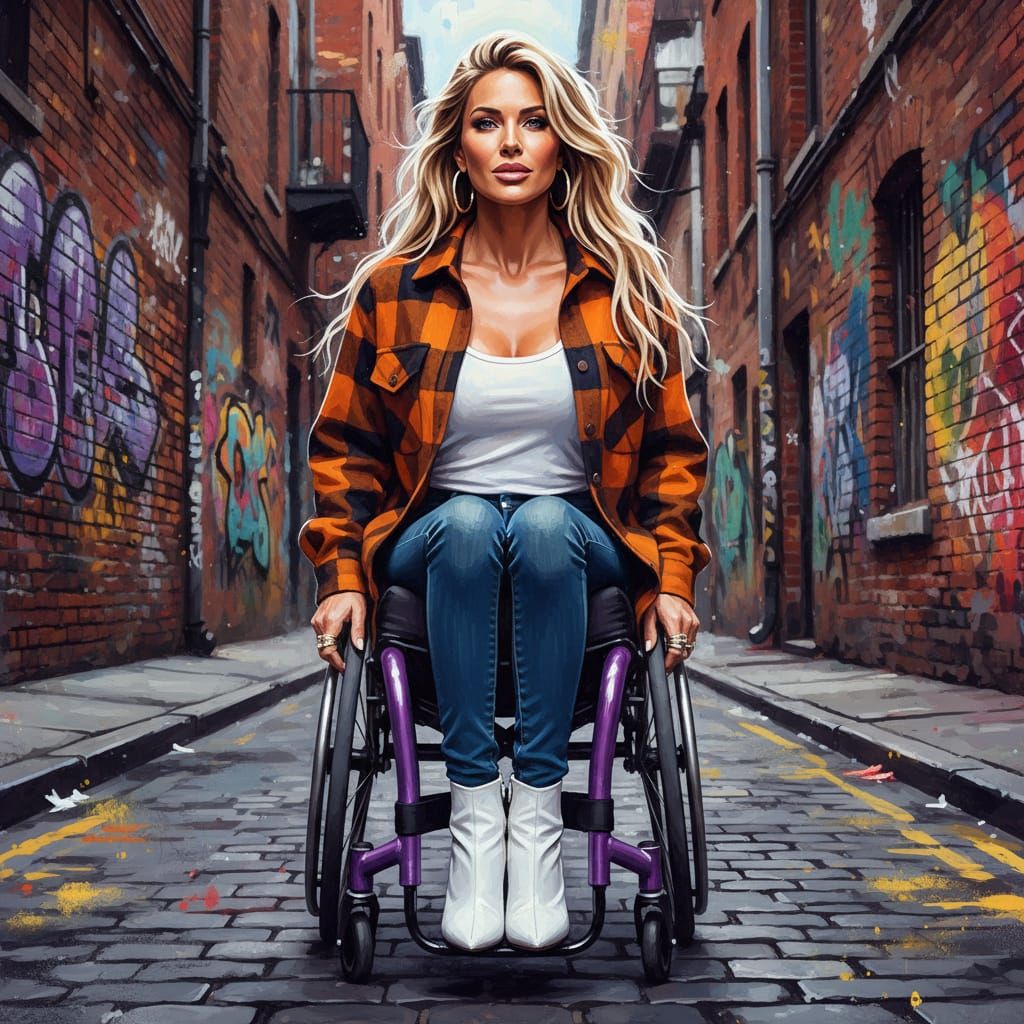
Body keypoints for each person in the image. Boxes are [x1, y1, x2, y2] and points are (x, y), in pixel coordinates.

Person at [299, 31, 713, 955]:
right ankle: (476, 822)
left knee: (542, 522)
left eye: (533, 121)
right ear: (459, 147)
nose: (513, 141)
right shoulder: (395, 290)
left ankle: (537, 823)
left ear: (564, 141)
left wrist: (673, 579)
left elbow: (675, 454)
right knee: (476, 520)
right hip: (434, 539)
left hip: (582, 538)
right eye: (488, 123)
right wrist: (340, 575)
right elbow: (344, 448)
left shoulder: (627, 291)